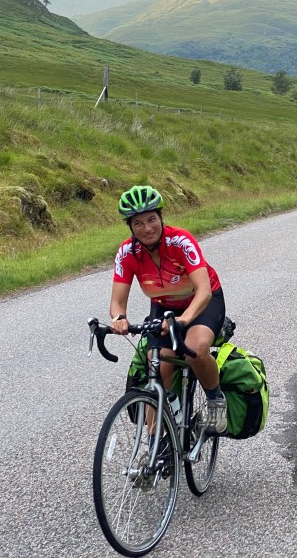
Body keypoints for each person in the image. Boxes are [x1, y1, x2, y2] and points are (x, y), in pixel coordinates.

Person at [109, 184, 228, 434]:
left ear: (161, 218)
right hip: (164, 306)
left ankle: (216, 401)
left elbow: (204, 290)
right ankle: (157, 441)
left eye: (151, 219)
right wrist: (119, 318)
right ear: (130, 226)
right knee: (156, 365)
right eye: (138, 223)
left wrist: (185, 320)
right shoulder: (127, 252)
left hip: (202, 301)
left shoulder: (181, 241)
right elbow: (118, 301)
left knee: (194, 349)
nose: (147, 228)